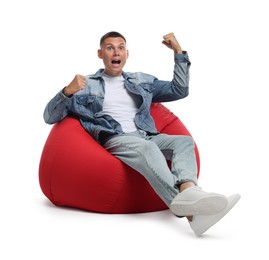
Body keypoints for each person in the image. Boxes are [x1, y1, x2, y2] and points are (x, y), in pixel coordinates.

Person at [43, 31, 240, 236]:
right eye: (110, 48)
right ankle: (190, 203)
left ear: (127, 54)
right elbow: (49, 116)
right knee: (149, 148)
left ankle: (191, 199)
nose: (116, 52)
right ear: (100, 54)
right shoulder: (85, 85)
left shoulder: (140, 81)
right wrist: (67, 91)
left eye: (120, 48)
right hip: (116, 138)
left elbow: (179, 90)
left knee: (183, 142)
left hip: (146, 134)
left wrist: (179, 52)